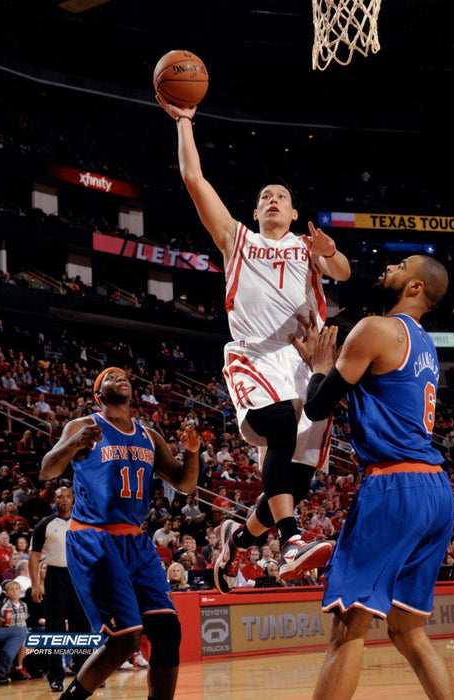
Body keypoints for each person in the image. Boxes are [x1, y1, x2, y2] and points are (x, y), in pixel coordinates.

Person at [159, 97, 350, 593]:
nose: (271, 200)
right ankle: (290, 542)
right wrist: (184, 123)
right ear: (255, 209)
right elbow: (195, 181)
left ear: (293, 211)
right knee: (279, 426)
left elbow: (345, 274)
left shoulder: (308, 248)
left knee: (299, 481)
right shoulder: (235, 239)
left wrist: (330, 253)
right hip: (252, 353)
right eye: (265, 195)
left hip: (306, 362)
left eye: (281, 197)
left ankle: (237, 538)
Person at [291, 255, 454, 699]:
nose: (388, 268)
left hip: (395, 485)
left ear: (416, 287)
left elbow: (317, 407)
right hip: (436, 490)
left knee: (348, 628)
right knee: (409, 632)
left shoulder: (374, 328)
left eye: (401, 266)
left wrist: (320, 366)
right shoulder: (423, 345)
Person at [39, 366, 200, 700]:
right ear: (98, 394)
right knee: (126, 638)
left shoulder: (149, 435)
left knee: (168, 632)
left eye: (124, 375)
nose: (121, 377)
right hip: (94, 537)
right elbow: (47, 470)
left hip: (135, 540)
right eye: (110, 376)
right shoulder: (85, 426)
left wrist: (193, 452)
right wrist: (72, 444)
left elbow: (185, 483)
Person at [28, 486, 92, 693]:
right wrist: (36, 584)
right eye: (59, 497)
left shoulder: (84, 522)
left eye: (67, 496)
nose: (63, 500)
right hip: (55, 576)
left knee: (82, 627)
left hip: (79, 577)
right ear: (53, 500)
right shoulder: (45, 524)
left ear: (73, 499)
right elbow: (34, 555)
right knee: (54, 629)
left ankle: (85, 673)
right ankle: (55, 677)